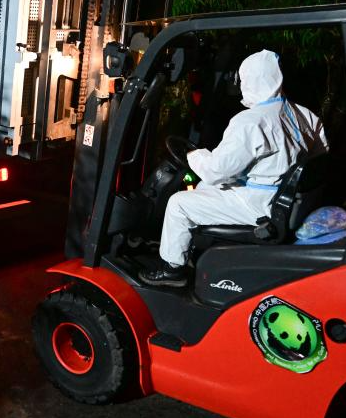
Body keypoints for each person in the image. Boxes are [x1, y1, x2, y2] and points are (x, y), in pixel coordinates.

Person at [140, 50, 329, 288]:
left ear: (249, 80)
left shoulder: (252, 121)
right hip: (284, 199)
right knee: (203, 187)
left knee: (179, 203)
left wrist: (193, 155)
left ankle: (172, 270)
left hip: (259, 205)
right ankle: (192, 249)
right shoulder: (304, 115)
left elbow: (215, 170)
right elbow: (319, 152)